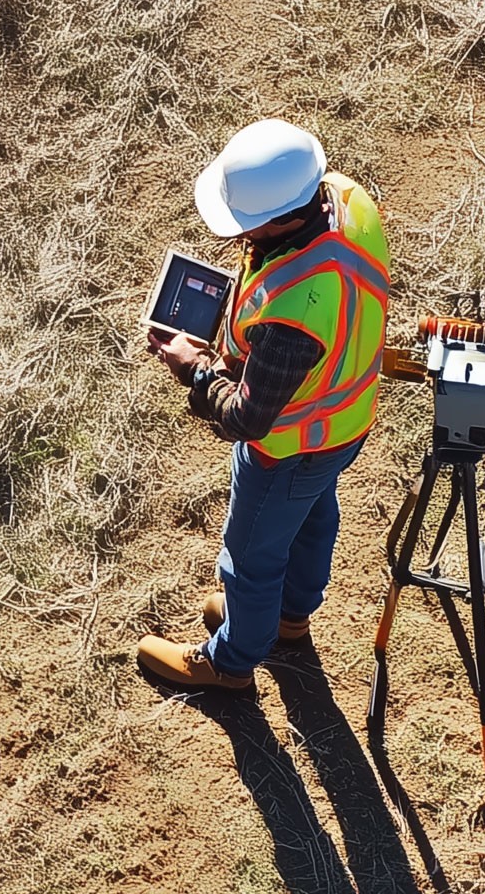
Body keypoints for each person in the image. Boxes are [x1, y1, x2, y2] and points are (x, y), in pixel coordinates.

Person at [136, 118, 390, 692]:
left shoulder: (294, 316)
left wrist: (194, 369)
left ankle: (230, 661)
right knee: (313, 516)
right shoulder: (348, 200)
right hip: (344, 424)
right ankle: (290, 618)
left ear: (280, 218)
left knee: (249, 557)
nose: (238, 238)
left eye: (247, 226)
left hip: (287, 447)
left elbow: (246, 418)